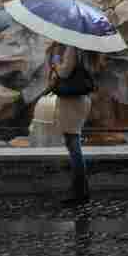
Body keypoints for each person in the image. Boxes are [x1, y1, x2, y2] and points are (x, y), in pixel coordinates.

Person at [48, 43, 93, 206]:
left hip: (72, 101)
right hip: (77, 99)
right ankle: (80, 190)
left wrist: (56, 62)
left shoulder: (72, 47)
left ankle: (80, 192)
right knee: (73, 143)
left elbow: (64, 72)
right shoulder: (83, 47)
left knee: (73, 145)